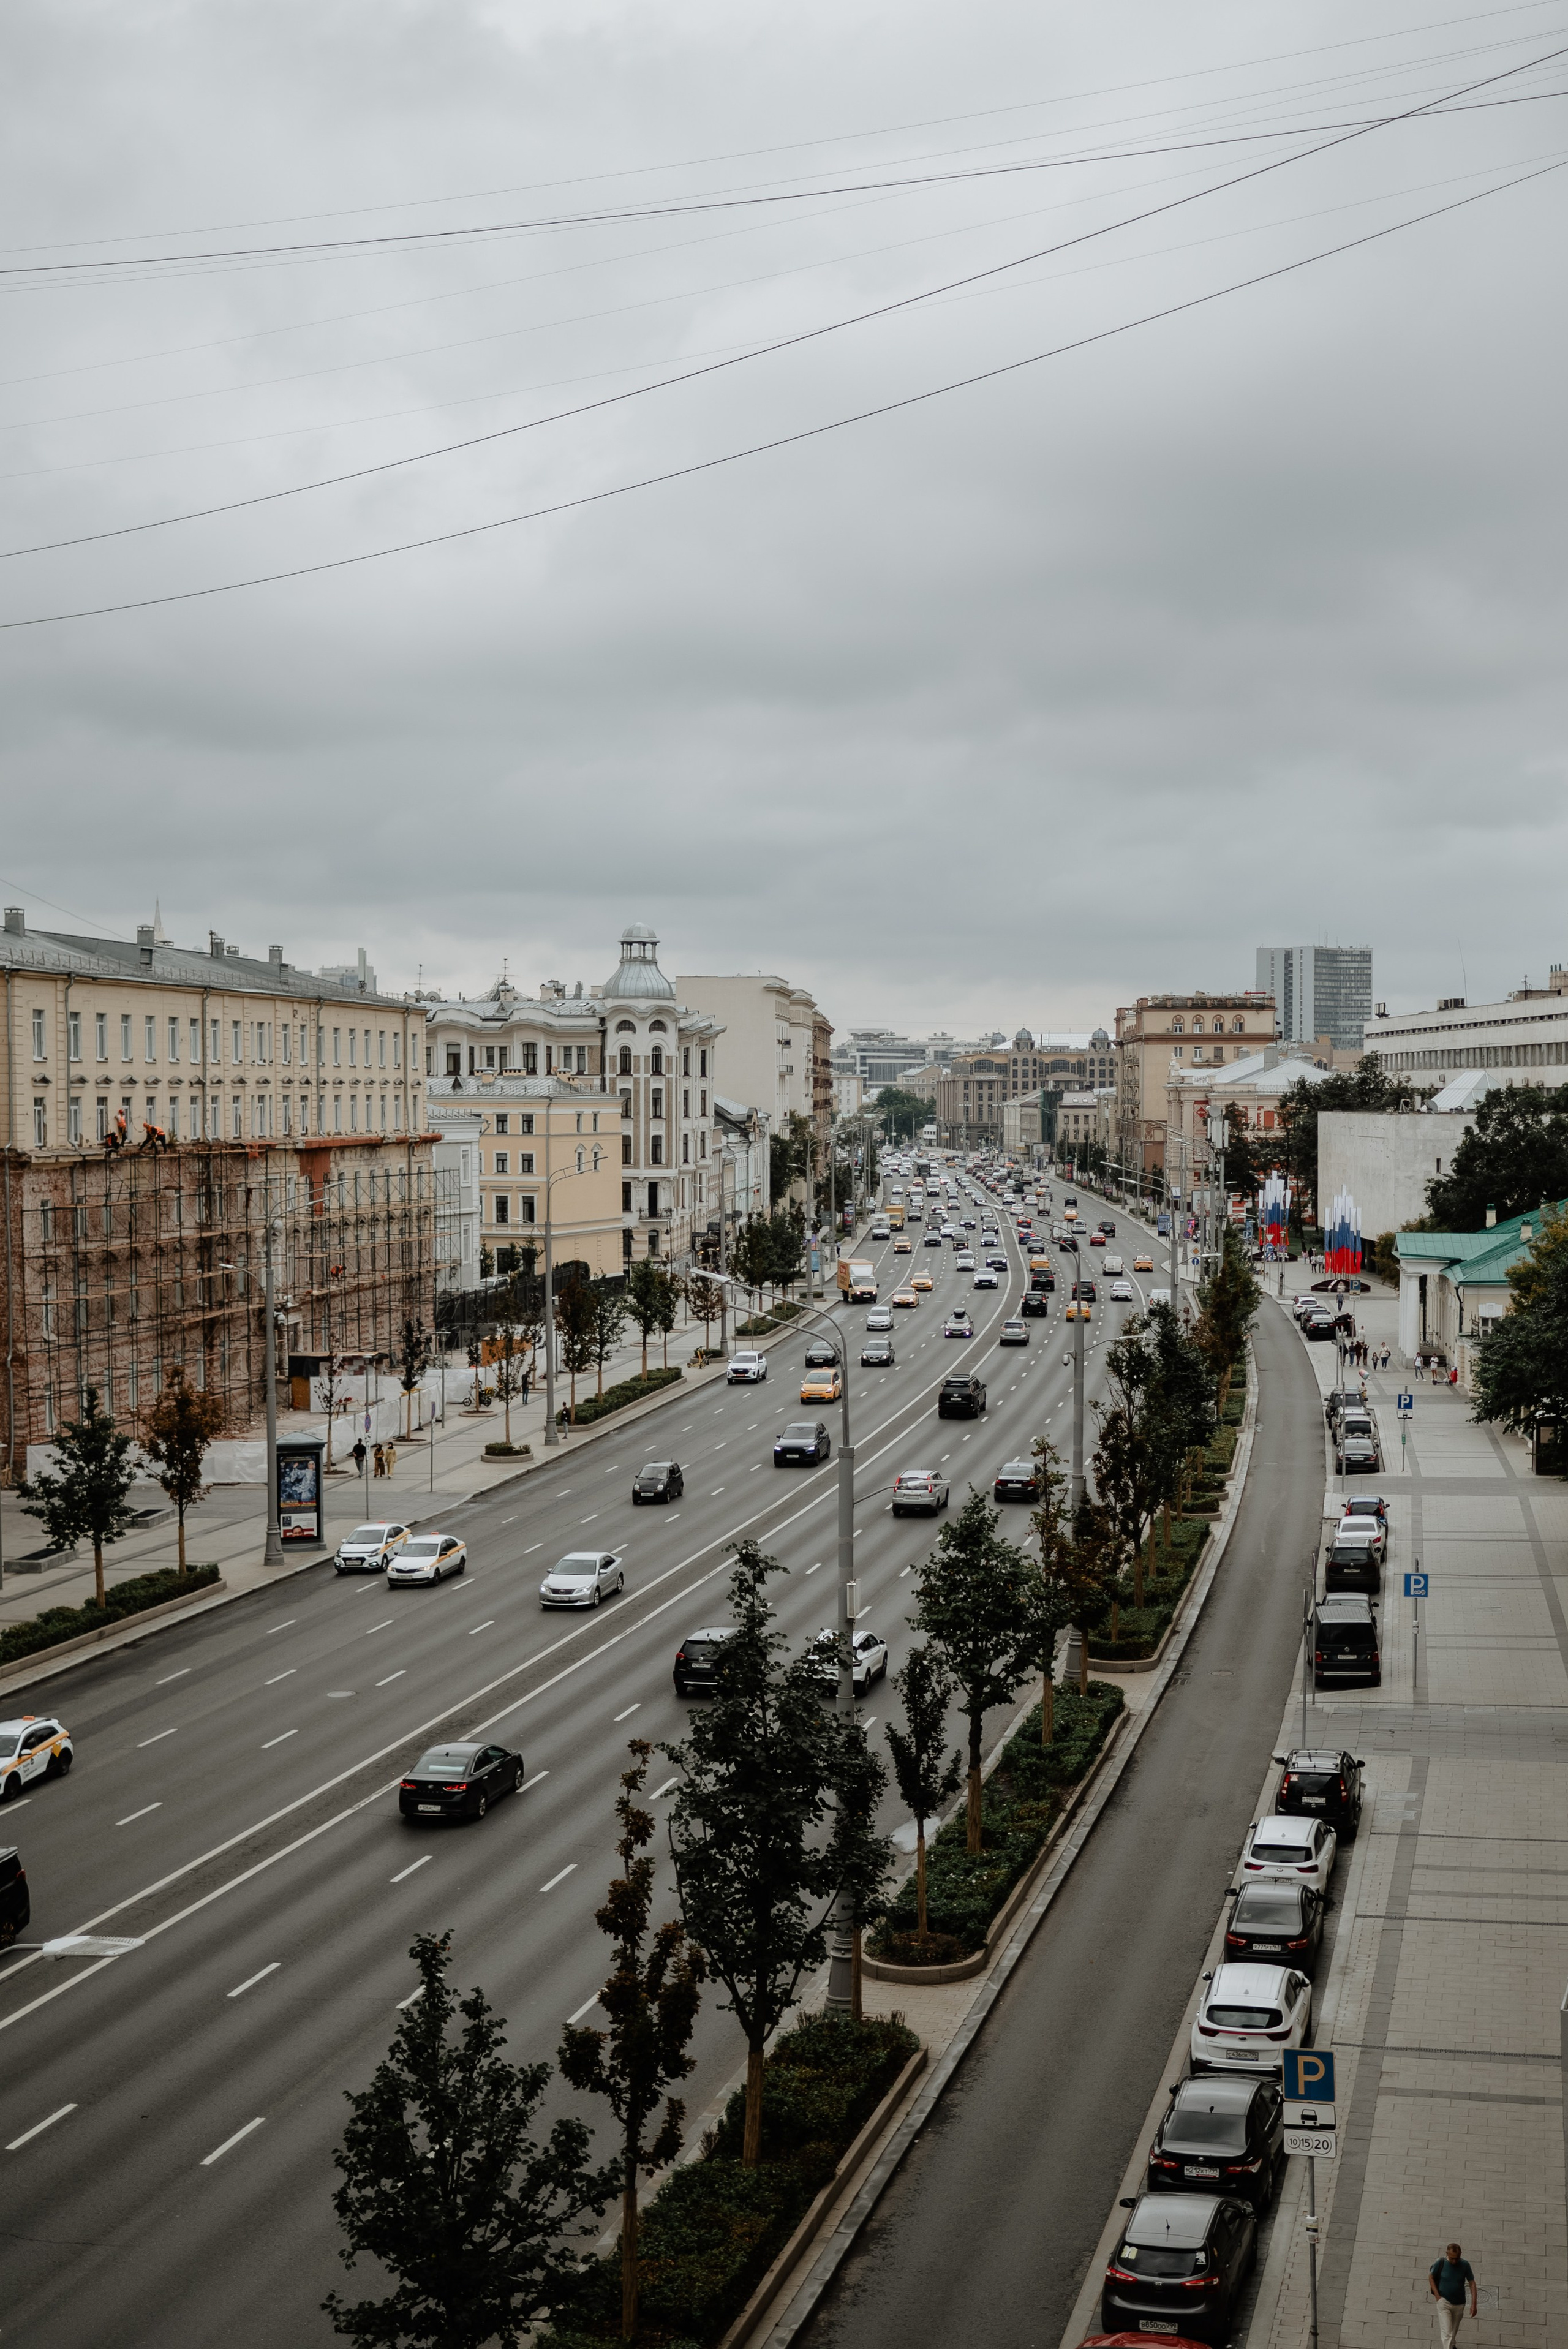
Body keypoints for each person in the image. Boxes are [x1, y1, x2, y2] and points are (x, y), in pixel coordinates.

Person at [1429, 2244, 1477, 2345]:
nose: (1455, 2261)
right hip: (1444, 2301)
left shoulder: (1465, 2265)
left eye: (1457, 2258)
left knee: (1454, 2329)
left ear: (1461, 2254)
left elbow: (1472, 2283)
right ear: (1447, 2254)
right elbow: (1431, 2277)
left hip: (1459, 2303)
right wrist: (1438, 2296)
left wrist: (1474, 2304)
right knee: (1447, 2332)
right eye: (1452, 2258)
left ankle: (1453, 2344)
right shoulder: (1440, 2262)